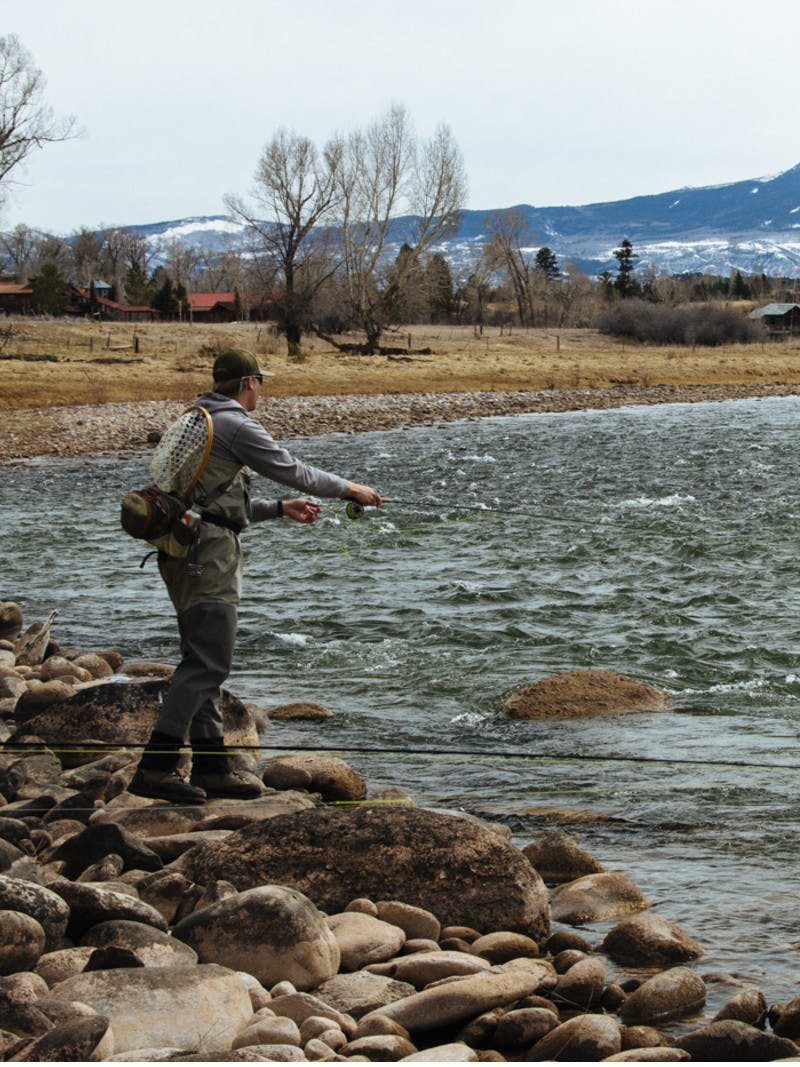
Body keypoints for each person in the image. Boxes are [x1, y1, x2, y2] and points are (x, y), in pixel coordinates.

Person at [129, 348, 382, 803]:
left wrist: (279, 510)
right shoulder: (236, 424)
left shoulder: (197, 417)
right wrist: (351, 489)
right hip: (206, 557)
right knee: (209, 664)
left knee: (199, 661)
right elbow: (294, 471)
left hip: (184, 550)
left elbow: (219, 504)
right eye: (260, 382)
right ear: (249, 383)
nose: (261, 390)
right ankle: (155, 767)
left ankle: (211, 769)